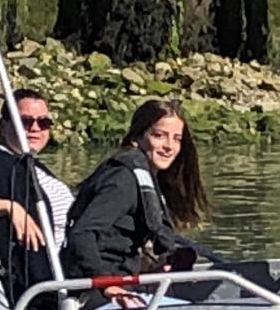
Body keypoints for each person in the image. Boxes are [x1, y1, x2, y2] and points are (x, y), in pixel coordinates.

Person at [65, 99, 213, 277]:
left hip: (125, 280)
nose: (169, 146)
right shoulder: (122, 180)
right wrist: (106, 284)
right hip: (97, 290)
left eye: (176, 139)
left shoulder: (144, 177)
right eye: (159, 135)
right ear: (137, 138)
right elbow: (81, 234)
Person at [0, 88, 74, 291]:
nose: (35, 128)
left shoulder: (30, 164)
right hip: (41, 285)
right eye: (25, 122)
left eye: (43, 122)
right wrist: (10, 208)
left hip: (67, 269)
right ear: (4, 125)